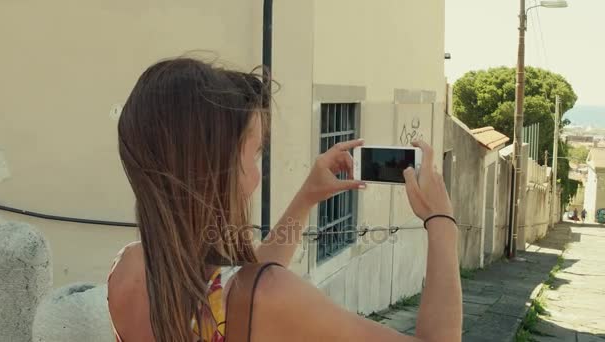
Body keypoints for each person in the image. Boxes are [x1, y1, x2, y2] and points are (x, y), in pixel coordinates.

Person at [107, 58, 462, 342]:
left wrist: (306, 198)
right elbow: (254, 294)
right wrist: (441, 222)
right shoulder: (273, 299)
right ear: (219, 169)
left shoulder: (128, 269)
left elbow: (241, 293)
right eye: (256, 153)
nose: (258, 174)